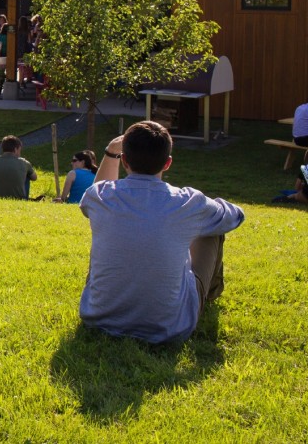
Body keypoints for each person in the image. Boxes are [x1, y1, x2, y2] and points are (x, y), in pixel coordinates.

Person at [79, 121, 244, 343]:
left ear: (124, 160)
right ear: (167, 163)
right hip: (169, 326)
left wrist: (111, 152)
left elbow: (96, 191)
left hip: (99, 319)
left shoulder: (100, 196)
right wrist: (210, 206)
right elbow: (235, 217)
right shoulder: (188, 202)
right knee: (213, 228)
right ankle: (210, 294)